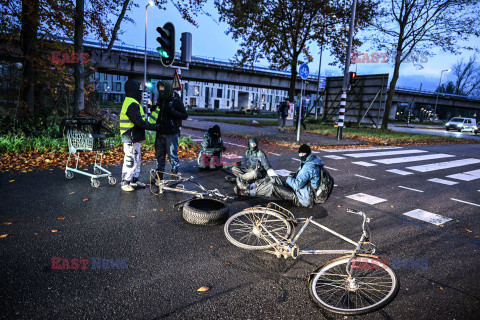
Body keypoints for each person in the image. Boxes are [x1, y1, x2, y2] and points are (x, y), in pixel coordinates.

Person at [235, 144, 324, 208]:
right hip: (300, 190)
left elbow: (297, 185)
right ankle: (248, 186)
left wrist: (289, 178)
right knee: (274, 179)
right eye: (299, 155)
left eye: (302, 155)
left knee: (273, 187)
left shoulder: (309, 167)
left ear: (307, 153)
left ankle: (246, 192)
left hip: (302, 198)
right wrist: (292, 176)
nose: (300, 156)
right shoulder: (311, 161)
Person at [119, 79, 161, 192]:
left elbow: (140, 121)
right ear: (133, 90)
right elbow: (139, 122)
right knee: (130, 160)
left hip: (134, 137)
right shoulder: (131, 104)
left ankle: (133, 180)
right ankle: (125, 182)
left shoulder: (132, 102)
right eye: (139, 90)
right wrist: (156, 127)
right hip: (130, 137)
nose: (141, 93)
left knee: (136, 159)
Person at [149, 80, 188, 180]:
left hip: (171, 133)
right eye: (159, 88)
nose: (161, 90)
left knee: (172, 156)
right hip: (160, 132)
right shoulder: (160, 99)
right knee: (159, 156)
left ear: (167, 88)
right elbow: (158, 113)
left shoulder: (176, 100)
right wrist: (153, 108)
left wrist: (172, 111)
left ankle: (174, 176)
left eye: (163, 88)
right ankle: (159, 176)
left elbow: (184, 115)